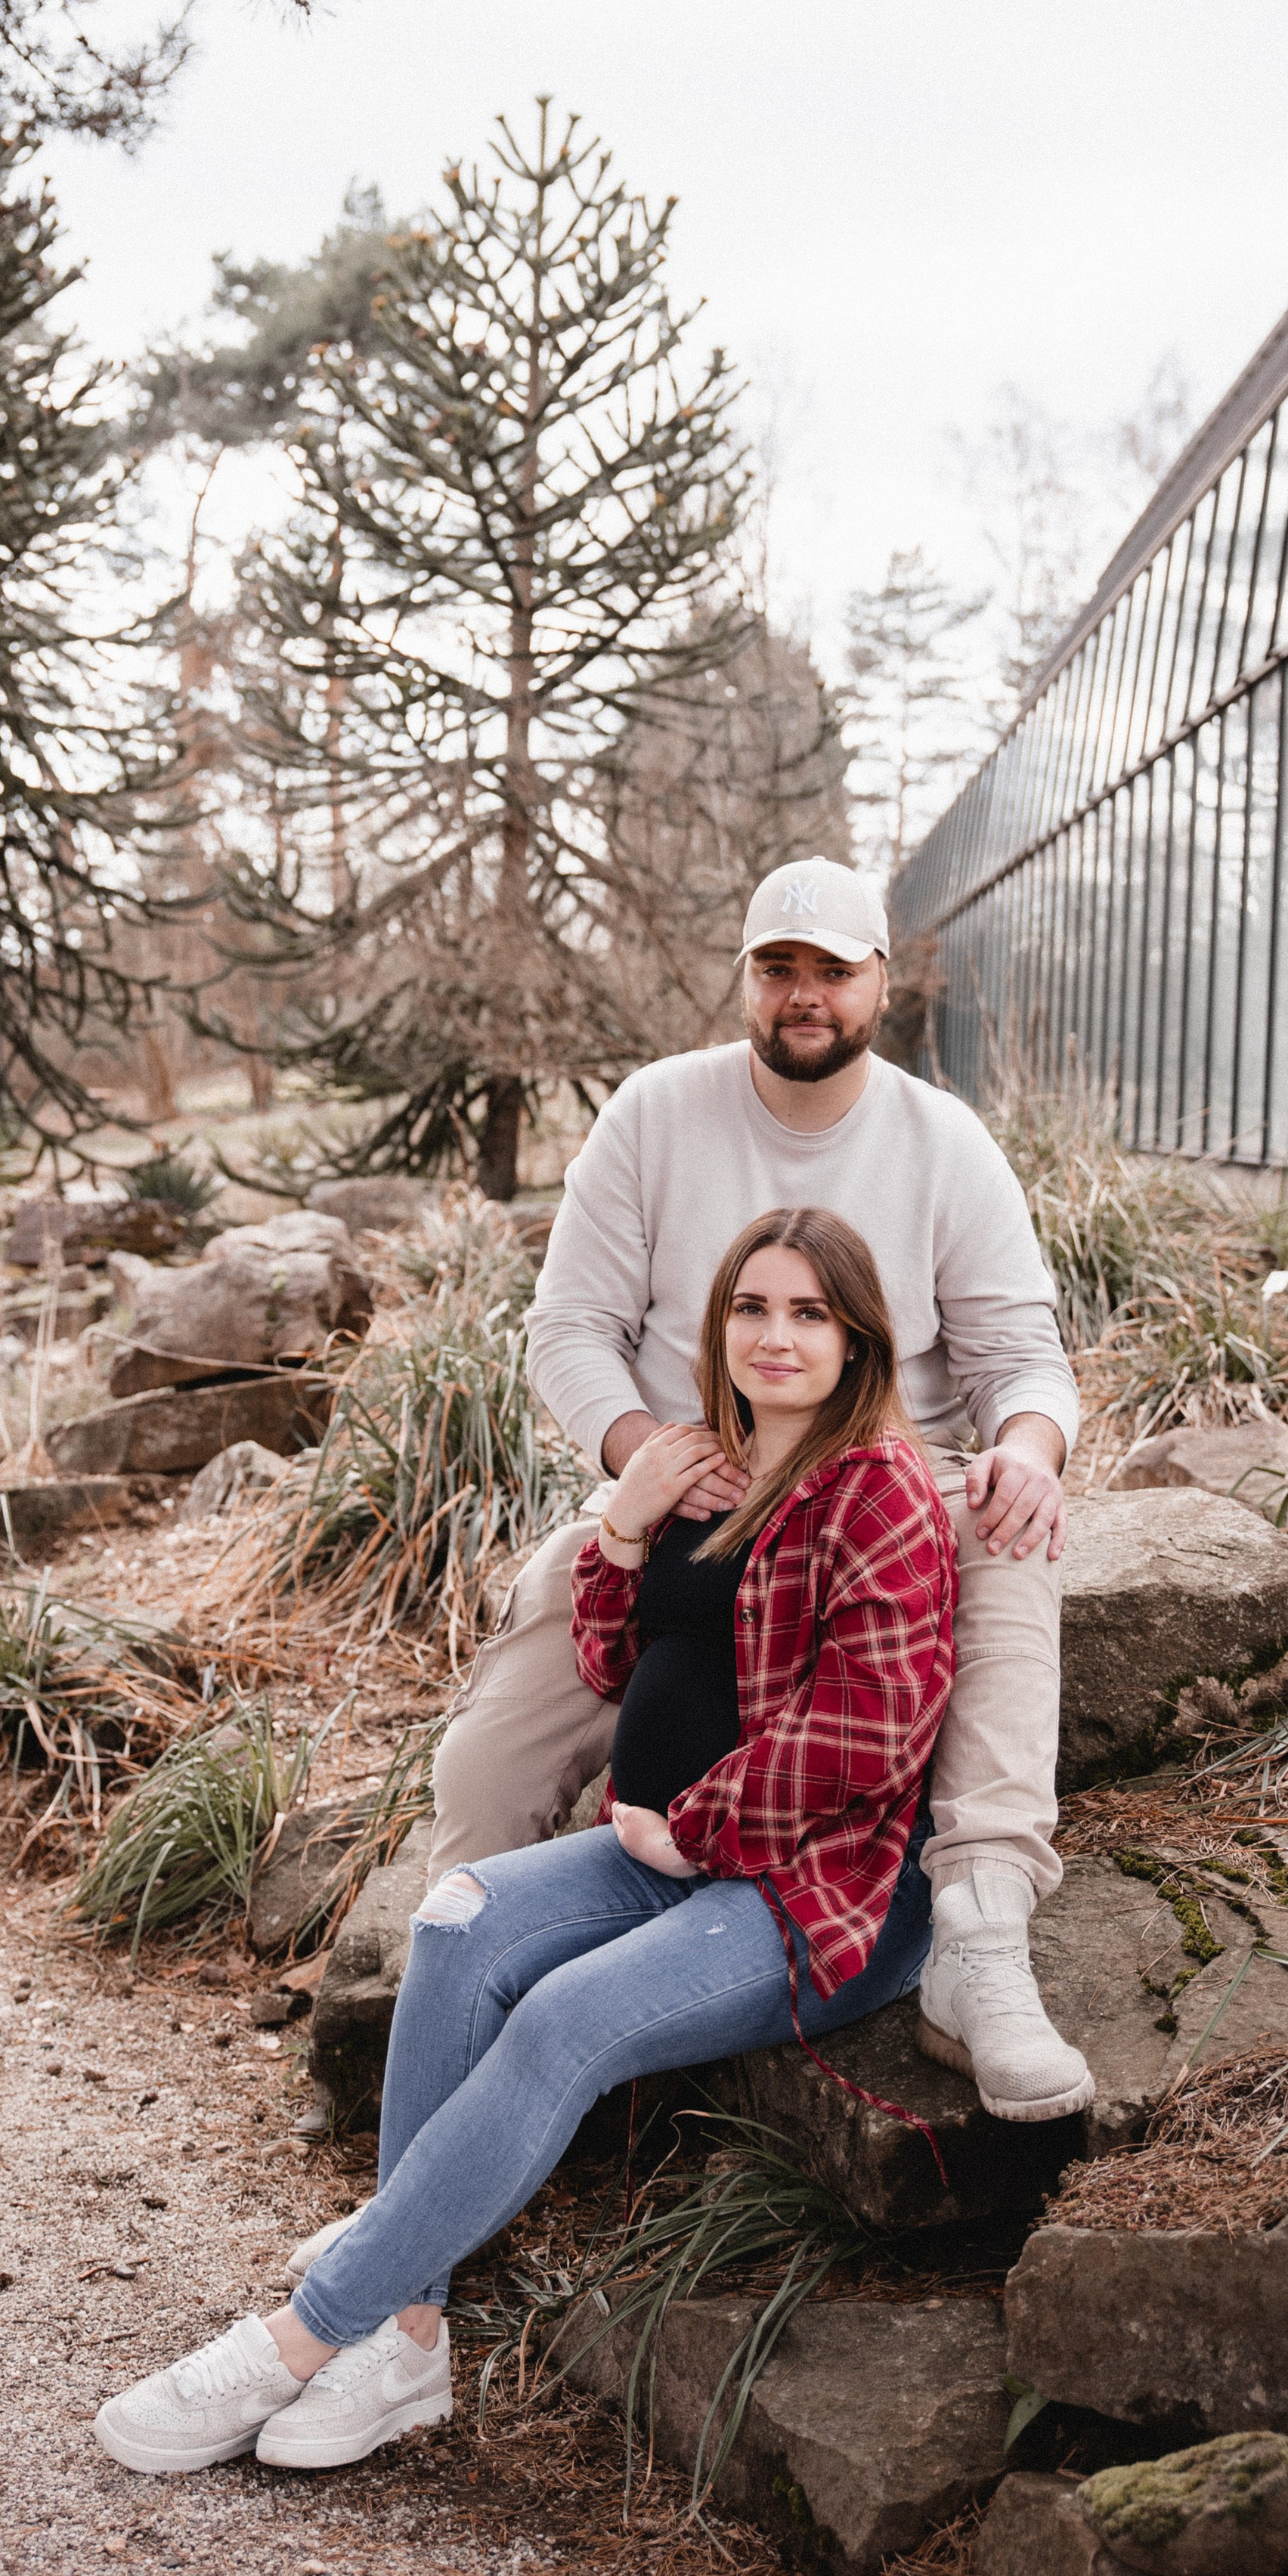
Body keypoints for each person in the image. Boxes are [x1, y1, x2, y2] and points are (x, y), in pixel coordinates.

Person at [94, 1207, 954, 2478]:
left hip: (818, 1888)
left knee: (562, 2020)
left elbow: (870, 1735)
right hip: (667, 1855)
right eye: (752, 1308)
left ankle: (302, 2335)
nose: (776, 1336)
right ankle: (410, 2338)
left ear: (859, 1339)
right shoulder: (707, 1466)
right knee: (458, 1918)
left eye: (809, 1314)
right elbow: (610, 1661)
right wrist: (627, 1523)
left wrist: (692, 1825)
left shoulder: (878, 1490)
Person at [432, 854, 1093, 2123]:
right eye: (779, 968)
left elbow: (1022, 1356)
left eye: (832, 971)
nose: (805, 995)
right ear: (745, 978)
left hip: (886, 1482)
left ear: (880, 982)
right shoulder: (654, 1114)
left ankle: (980, 1933)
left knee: (1011, 1533)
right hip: (695, 1476)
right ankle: (464, 1986)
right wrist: (644, 1459)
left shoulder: (943, 1142)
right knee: (502, 1718)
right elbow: (567, 1327)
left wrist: (1027, 1445)